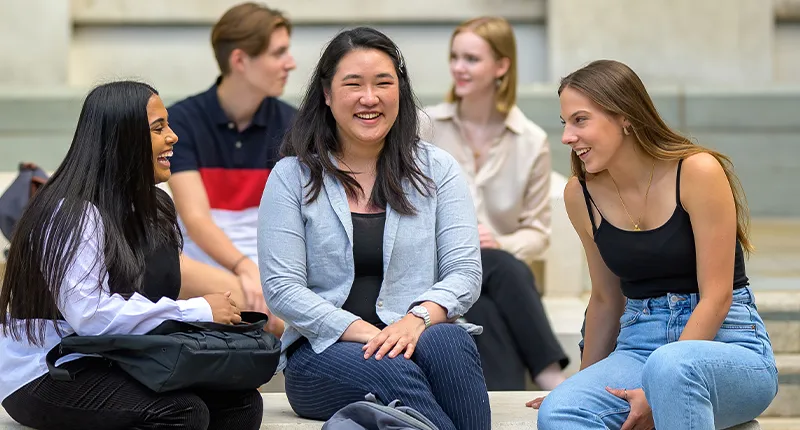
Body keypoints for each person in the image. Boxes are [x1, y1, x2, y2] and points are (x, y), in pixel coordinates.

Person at [257, 27, 492, 430]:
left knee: (452, 342)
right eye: (354, 85)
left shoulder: (437, 170)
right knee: (391, 368)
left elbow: (465, 273)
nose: (370, 98)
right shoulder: (291, 176)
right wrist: (366, 332)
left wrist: (415, 319)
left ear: (400, 90)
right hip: (324, 353)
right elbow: (282, 288)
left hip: (417, 333)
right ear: (327, 95)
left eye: (383, 83)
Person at [0, 81, 263, 430]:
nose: (173, 137)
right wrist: (198, 308)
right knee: (183, 412)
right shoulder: (72, 213)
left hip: (119, 357)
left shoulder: (156, 207)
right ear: (121, 139)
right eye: (158, 128)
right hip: (48, 370)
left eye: (167, 125)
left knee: (241, 404)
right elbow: (90, 317)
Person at [533, 60, 778, 429]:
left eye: (580, 120)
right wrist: (583, 381)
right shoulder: (580, 195)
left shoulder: (697, 171)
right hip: (639, 342)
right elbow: (605, 299)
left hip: (728, 345)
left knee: (671, 369)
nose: (567, 136)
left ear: (625, 117)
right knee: (561, 412)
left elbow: (718, 296)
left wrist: (657, 388)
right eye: (565, 122)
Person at [419, 16, 568, 391]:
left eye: (471, 59)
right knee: (500, 268)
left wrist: (500, 243)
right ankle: (551, 373)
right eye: (455, 57)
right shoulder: (424, 127)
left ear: (502, 66)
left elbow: (537, 232)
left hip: (491, 279)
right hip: (433, 262)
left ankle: (502, 400)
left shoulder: (530, 140)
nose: (458, 67)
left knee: (485, 304)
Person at [167, 2, 297, 327]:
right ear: (240, 60)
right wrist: (242, 267)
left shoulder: (293, 124)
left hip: (269, 265)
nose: (290, 64)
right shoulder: (181, 121)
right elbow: (195, 218)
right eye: (278, 53)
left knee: (266, 312)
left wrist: (260, 270)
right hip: (201, 265)